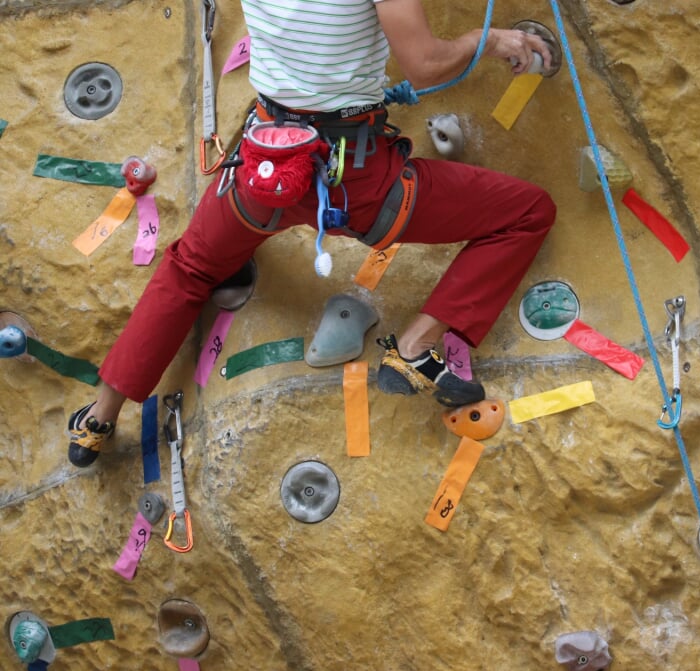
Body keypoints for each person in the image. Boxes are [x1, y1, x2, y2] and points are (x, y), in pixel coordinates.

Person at [66, 0, 557, 467]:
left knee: (190, 267)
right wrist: (486, 39)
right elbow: (424, 65)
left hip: (264, 170)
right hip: (362, 185)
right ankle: (413, 348)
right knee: (529, 212)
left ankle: (98, 419)